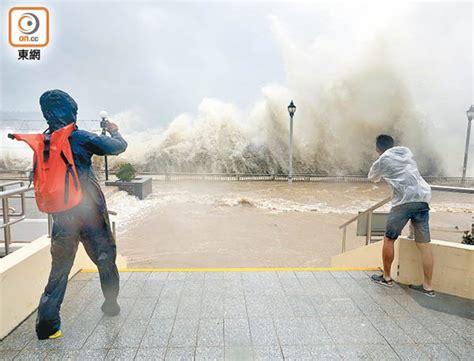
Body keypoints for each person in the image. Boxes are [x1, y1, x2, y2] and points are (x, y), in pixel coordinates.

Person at [36, 89, 128, 340]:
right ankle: (111, 304)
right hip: (89, 210)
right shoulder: (80, 138)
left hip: (61, 215)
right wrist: (114, 130)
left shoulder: (43, 143)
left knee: (60, 268)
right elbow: (118, 147)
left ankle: (48, 325)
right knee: (105, 256)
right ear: (71, 113)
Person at [368, 134, 435, 297]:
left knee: (389, 239)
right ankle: (428, 287)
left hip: (403, 203)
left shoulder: (382, 160)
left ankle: (387, 277)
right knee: (424, 245)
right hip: (423, 198)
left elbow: (372, 178)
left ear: (378, 148)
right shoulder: (406, 151)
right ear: (393, 144)